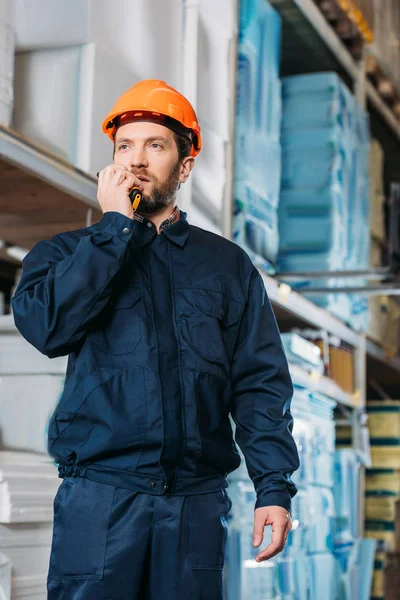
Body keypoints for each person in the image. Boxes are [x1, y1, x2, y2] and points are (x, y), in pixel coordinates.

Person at [11, 79, 300, 600]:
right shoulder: (67, 254)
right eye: (125, 146)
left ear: (184, 167)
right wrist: (115, 228)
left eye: (155, 145)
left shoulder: (226, 266)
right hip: (100, 502)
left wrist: (273, 487)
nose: (137, 159)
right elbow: (47, 327)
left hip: (194, 506)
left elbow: (259, 383)